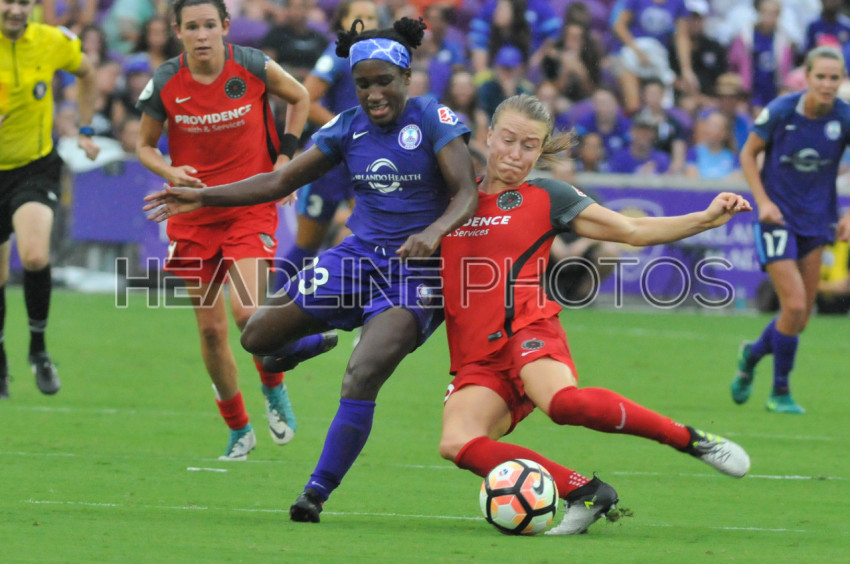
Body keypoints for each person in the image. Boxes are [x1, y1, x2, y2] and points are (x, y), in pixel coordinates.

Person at [143, 16, 479, 521]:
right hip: (356, 259)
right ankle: (306, 346)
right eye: (363, 84)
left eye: (384, 81)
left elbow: (467, 192)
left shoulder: (433, 117)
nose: (373, 94)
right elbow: (278, 183)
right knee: (258, 338)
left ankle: (316, 492)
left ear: (407, 78)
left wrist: (435, 232)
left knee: (361, 374)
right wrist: (203, 196)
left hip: (416, 274)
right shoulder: (346, 127)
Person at [437, 94, 752, 536]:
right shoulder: (453, 199)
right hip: (477, 356)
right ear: (488, 136)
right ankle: (586, 492)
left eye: (529, 146)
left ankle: (690, 439)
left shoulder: (547, 196)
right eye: (508, 140)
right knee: (456, 443)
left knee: (563, 404)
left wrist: (704, 218)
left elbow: (632, 229)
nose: (516, 154)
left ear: (540, 151)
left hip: (528, 329)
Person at [135, 0, 311, 459]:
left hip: (248, 206)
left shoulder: (252, 65)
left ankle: (273, 385)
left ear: (225, 27)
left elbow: (300, 97)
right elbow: (144, 145)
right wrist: (170, 171)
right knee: (211, 332)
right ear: (178, 31)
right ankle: (238, 428)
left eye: (209, 25)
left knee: (248, 312)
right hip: (193, 212)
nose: (201, 35)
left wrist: (285, 161)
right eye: (192, 27)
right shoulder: (166, 81)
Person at [731, 46, 850, 414]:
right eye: (821, 76)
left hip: (817, 220)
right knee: (794, 305)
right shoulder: (782, 110)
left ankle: (751, 356)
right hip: (777, 219)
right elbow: (747, 153)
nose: (827, 84)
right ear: (807, 77)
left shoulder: (844, 116)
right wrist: (763, 202)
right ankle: (780, 391)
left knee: (801, 317)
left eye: (834, 77)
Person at [0, 0, 101, 399]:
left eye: (24, 2)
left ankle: (38, 350)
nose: (15, 10)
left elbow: (88, 74)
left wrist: (86, 129)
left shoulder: (51, 41)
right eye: (8, 1)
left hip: (34, 167)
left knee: (35, 255)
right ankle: (0, 356)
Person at [275, 0, 379, 288]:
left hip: (366, 163)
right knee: (307, 246)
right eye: (359, 16)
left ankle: (367, 310)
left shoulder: (383, 57)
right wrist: (345, 129)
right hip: (328, 164)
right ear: (343, 22)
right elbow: (306, 99)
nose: (367, 23)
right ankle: (274, 306)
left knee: (373, 240)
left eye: (371, 17)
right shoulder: (338, 54)